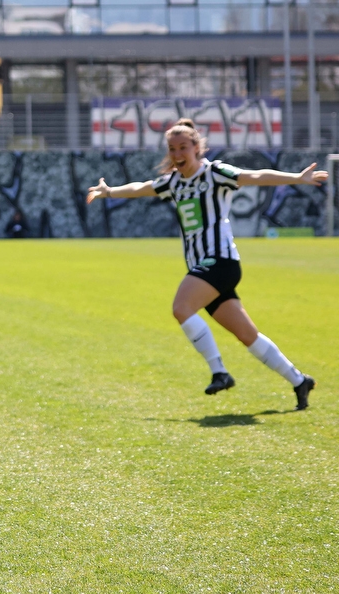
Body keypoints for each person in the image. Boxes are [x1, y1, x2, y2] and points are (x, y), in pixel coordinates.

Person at [86, 118, 326, 410]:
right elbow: (143, 187)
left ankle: (219, 372)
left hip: (221, 262)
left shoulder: (214, 172)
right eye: (172, 149)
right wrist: (109, 191)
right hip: (205, 267)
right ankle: (299, 380)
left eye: (183, 148)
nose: (177, 154)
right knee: (247, 335)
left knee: (181, 308)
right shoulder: (174, 182)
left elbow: (253, 175)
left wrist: (295, 178)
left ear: (197, 148)